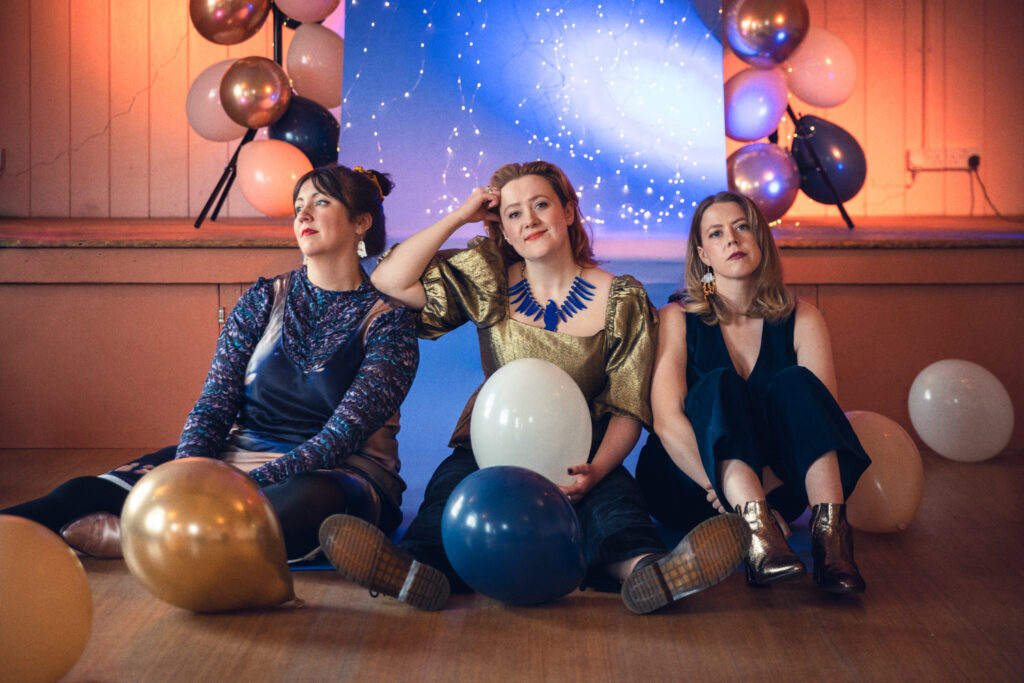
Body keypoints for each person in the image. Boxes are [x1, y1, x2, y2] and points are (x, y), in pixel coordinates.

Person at [316, 161, 751, 614]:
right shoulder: (487, 280)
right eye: (514, 214)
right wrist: (461, 216)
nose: (530, 221)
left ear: (567, 212)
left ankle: (650, 571)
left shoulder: (623, 298)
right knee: (447, 499)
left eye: (541, 205)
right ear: (502, 230)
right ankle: (415, 569)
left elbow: (627, 407)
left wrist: (597, 471)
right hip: (489, 445)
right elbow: (388, 280)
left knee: (617, 511)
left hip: (584, 450)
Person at [1, 165, 419, 564]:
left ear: (361, 223)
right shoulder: (262, 300)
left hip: (335, 473)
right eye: (297, 207)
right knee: (84, 492)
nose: (303, 215)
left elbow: (338, 439)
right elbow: (214, 404)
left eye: (321, 202)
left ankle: (134, 540)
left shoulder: (390, 324)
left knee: (303, 502)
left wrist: (233, 490)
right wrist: (192, 475)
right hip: (233, 456)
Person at [636, 190, 870, 594]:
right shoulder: (676, 318)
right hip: (689, 481)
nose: (732, 239)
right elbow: (666, 421)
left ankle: (832, 544)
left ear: (760, 239)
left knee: (798, 384)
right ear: (704, 255)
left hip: (777, 485)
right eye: (717, 233)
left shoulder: (803, 317)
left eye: (742, 227)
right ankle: (755, 528)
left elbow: (818, 423)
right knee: (720, 383)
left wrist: (763, 489)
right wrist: (726, 493)